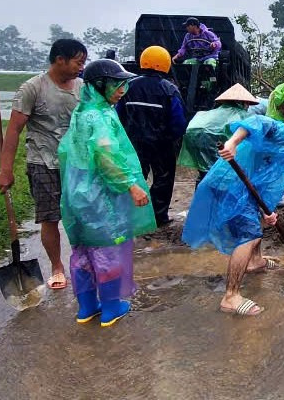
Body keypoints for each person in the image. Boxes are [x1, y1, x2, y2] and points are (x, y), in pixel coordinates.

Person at [182, 110, 284, 316]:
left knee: (256, 225)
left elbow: (265, 180)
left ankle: (255, 261)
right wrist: (232, 143)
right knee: (247, 235)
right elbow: (259, 121)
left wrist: (267, 212)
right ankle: (230, 296)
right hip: (232, 186)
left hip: (242, 190)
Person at [58, 59, 156, 327]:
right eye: (116, 83)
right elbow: (106, 155)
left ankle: (87, 307)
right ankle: (112, 307)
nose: (122, 89)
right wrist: (131, 185)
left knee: (82, 251)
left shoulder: (82, 111)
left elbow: (67, 151)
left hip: (78, 192)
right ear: (99, 85)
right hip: (99, 194)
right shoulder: (100, 116)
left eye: (123, 83)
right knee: (107, 250)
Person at [0, 39, 87, 291]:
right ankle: (57, 267)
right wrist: (6, 170)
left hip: (76, 164)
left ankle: (83, 261)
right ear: (60, 60)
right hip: (43, 162)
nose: (81, 67)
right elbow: (14, 130)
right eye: (78, 62)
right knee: (50, 218)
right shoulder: (33, 88)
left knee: (81, 215)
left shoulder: (82, 87)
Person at [116, 46, 187, 227]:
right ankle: (158, 217)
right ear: (165, 64)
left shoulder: (128, 86)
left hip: (133, 143)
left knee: (134, 177)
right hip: (161, 145)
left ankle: (133, 216)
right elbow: (178, 121)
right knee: (163, 179)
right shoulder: (169, 89)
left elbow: (118, 115)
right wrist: (171, 140)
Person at [177, 84, 257, 182]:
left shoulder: (205, 114)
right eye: (247, 104)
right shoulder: (243, 116)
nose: (248, 107)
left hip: (198, 149)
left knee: (205, 177)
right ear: (243, 102)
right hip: (223, 157)